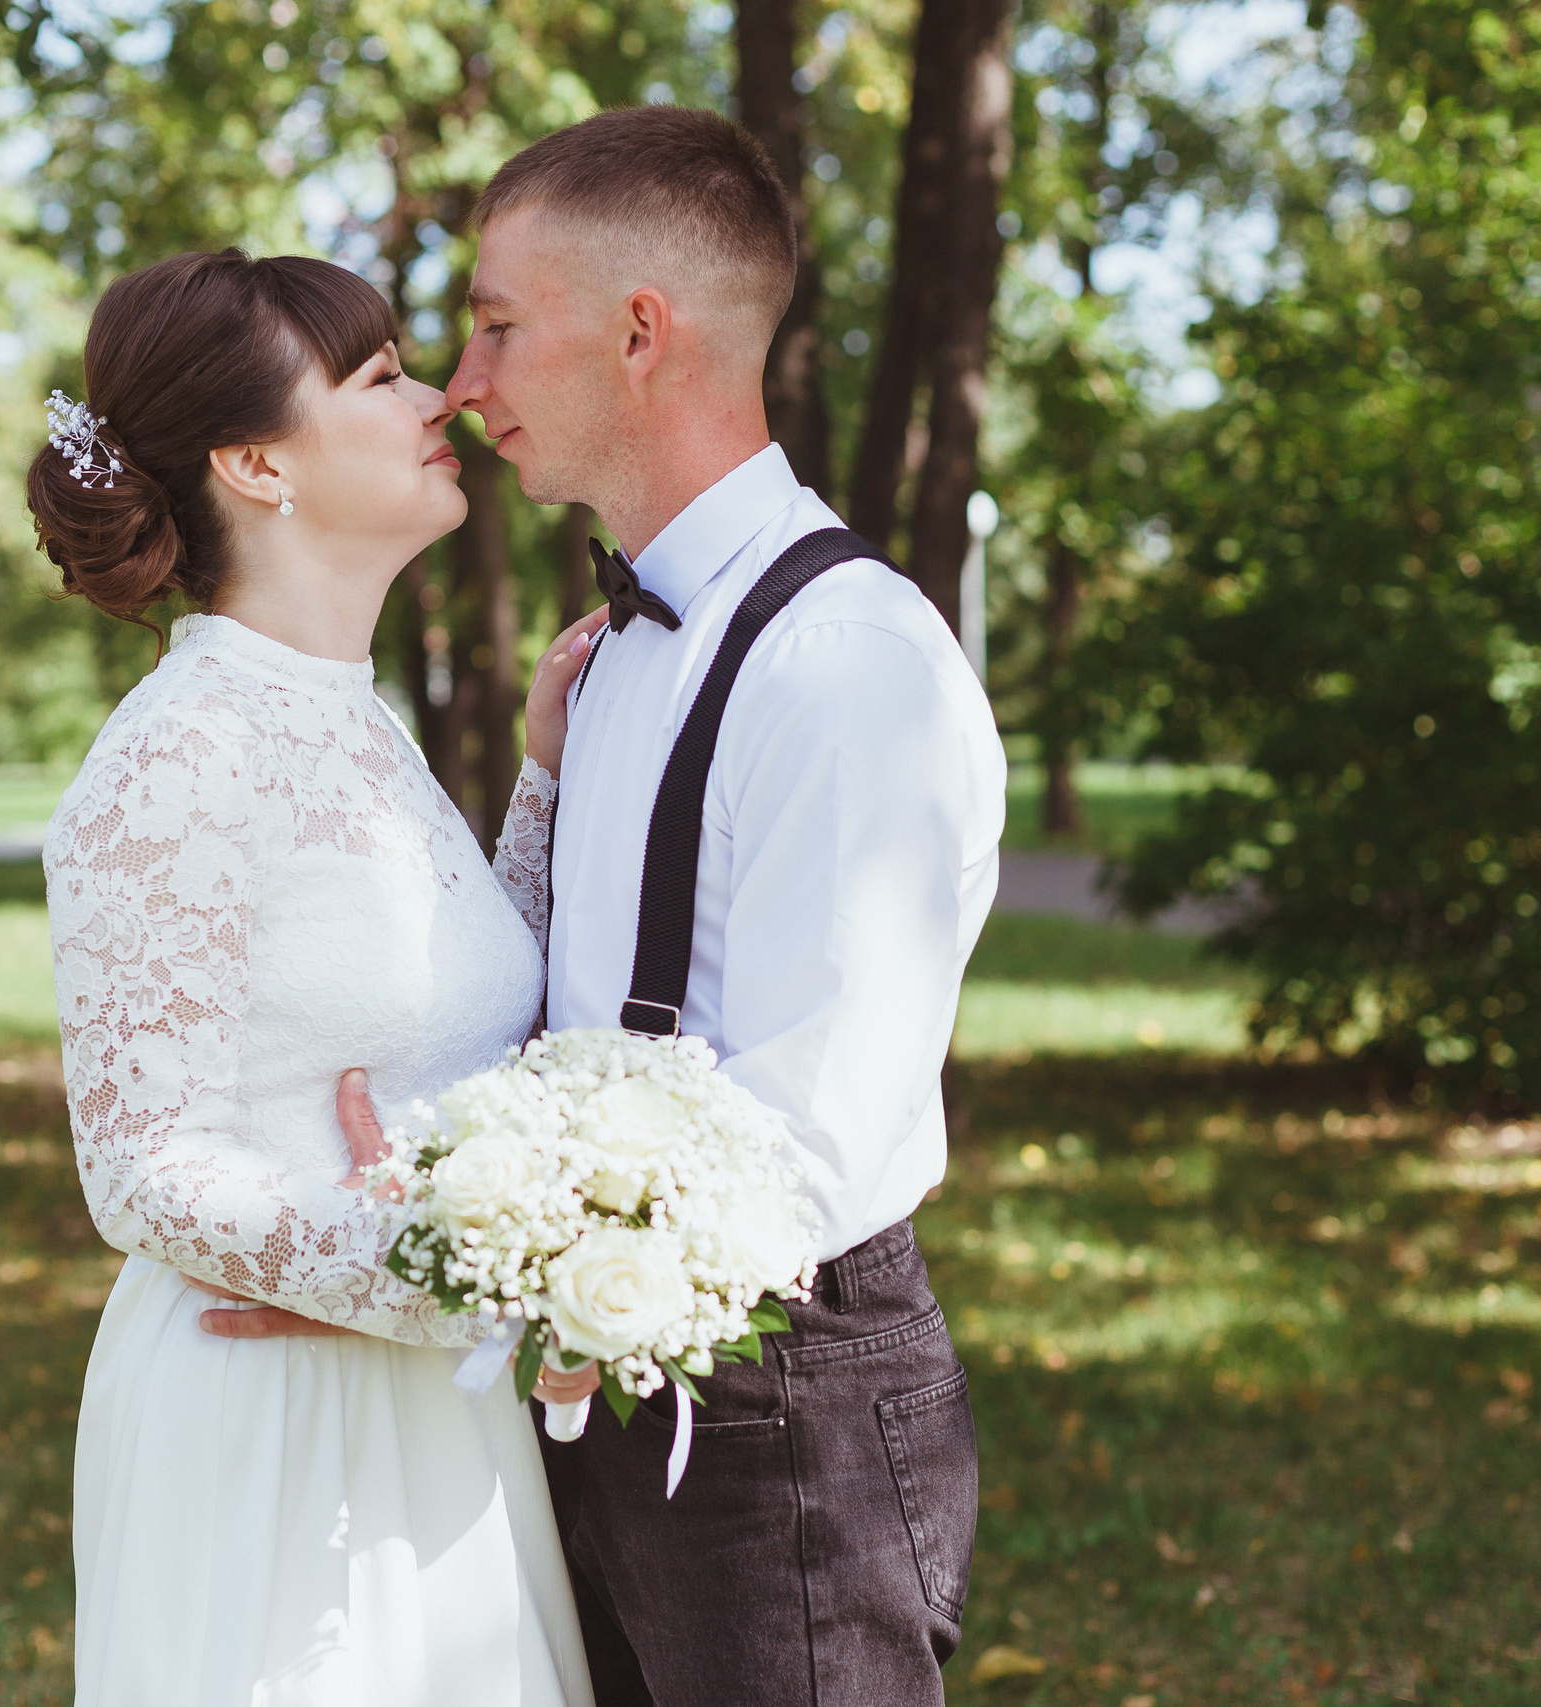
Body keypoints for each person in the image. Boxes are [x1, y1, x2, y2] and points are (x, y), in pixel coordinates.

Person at [211, 106, 1008, 1704]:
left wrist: (503, 1288)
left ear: (643, 332)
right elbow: (576, 1021)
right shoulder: (614, 659)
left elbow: (821, 1120)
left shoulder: (849, 660)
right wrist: (410, 1263)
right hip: (594, 1387)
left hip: (786, 1403)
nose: (462, 383)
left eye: (498, 324)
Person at [31, 249, 605, 1707]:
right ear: (256, 462)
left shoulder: (354, 722)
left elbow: (458, 999)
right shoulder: (177, 759)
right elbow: (141, 1166)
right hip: (278, 1419)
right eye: (379, 377)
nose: (443, 398)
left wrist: (538, 785)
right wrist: (440, 1280)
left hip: (431, 1404)